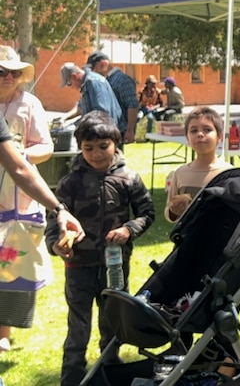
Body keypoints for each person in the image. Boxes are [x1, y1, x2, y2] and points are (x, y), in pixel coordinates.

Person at [45, 111, 154, 386]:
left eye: (103, 146)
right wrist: (55, 245)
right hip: (79, 267)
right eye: (88, 148)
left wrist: (129, 229)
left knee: (113, 322)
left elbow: (147, 212)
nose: (96, 154)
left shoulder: (129, 178)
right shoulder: (70, 183)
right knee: (78, 326)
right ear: (80, 148)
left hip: (115, 266)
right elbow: (53, 219)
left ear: (115, 144)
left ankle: (109, 369)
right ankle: (72, 377)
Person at [0, 46, 55, 352]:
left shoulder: (29, 104)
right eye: (1, 71)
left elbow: (45, 146)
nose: (8, 77)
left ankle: (3, 332)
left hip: (18, 197)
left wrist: (23, 153)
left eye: (14, 72)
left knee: (10, 268)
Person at [164, 106, 233, 223]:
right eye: (194, 130)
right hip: (188, 238)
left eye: (207, 130)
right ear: (187, 138)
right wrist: (173, 211)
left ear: (219, 136)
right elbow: (169, 211)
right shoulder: (181, 173)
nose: (200, 134)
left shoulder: (229, 173)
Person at [60, 62, 124, 144]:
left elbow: (101, 112)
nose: (71, 87)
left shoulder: (93, 82)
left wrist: (79, 124)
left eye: (69, 83)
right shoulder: (86, 84)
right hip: (99, 133)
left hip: (106, 134)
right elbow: (80, 108)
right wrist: (64, 118)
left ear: (74, 76)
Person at [87, 52, 139, 145]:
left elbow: (132, 105)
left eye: (93, 69)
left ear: (103, 64)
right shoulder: (104, 81)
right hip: (107, 129)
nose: (92, 73)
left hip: (118, 129)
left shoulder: (122, 80)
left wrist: (130, 130)